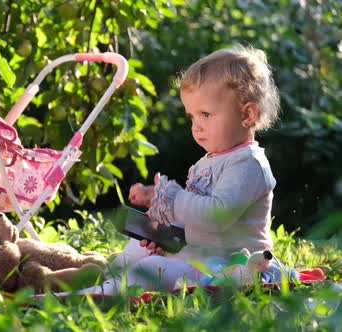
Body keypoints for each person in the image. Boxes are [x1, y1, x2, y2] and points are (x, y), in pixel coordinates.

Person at [72, 45, 297, 295]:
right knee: (139, 249)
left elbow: (216, 216)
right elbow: (192, 218)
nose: (196, 126)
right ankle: (104, 280)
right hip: (194, 255)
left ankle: (101, 295)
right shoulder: (207, 162)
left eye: (205, 114)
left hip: (224, 266)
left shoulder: (248, 164)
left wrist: (174, 198)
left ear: (247, 114)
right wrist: (164, 231)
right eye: (192, 116)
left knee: (151, 267)